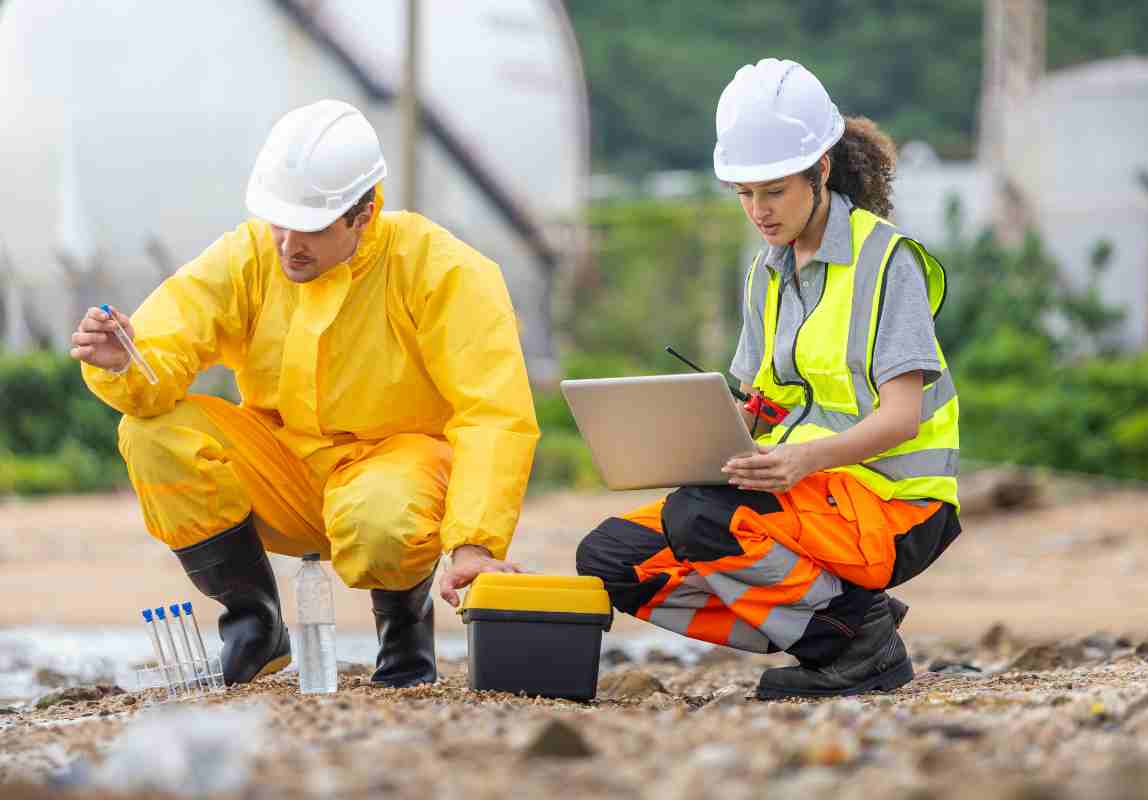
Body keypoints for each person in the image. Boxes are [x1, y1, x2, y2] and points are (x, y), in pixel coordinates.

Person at [70, 100, 539, 688]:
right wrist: (126, 363)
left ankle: (404, 640)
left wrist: (473, 542)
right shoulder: (249, 256)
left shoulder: (441, 268)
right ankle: (255, 624)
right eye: (278, 222)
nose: (289, 244)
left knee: (381, 518)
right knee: (152, 432)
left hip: (400, 474)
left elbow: (494, 415)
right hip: (283, 470)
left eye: (310, 227)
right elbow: (168, 340)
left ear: (364, 213)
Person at [576, 59, 961, 698]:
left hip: (896, 504)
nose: (759, 210)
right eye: (745, 194)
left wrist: (802, 459)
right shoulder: (767, 272)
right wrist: (693, 438)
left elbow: (902, 417)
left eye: (774, 191)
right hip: (805, 491)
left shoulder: (887, 261)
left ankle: (854, 643)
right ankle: (835, 622)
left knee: (701, 519)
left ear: (822, 170)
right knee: (613, 560)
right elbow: (758, 406)